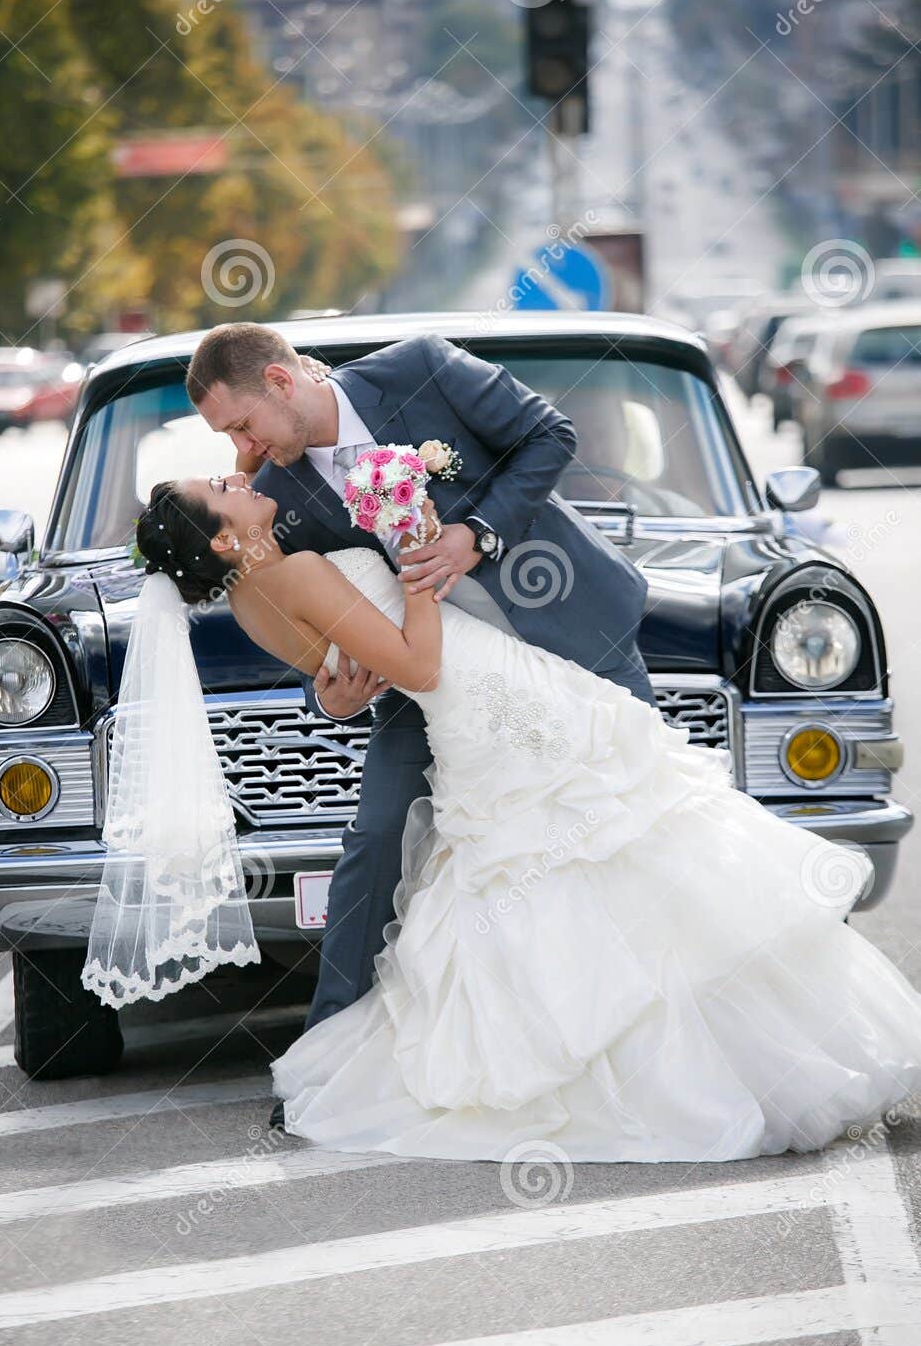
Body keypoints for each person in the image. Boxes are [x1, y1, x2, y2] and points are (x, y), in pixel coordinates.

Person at [83, 469, 921, 1163]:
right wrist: (415, 567)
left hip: (477, 710)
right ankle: (716, 1065)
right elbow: (412, 658)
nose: (238, 475)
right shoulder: (292, 572)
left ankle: (632, 1053)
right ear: (225, 539)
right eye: (221, 488)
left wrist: (340, 690)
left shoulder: (252, 597)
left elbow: (348, 683)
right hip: (484, 700)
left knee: (577, 864)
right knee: (617, 842)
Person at [184, 323, 656, 1075]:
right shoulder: (273, 500)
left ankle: (657, 1017)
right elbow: (310, 634)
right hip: (435, 685)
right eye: (226, 434)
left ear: (280, 382)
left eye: (241, 423)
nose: (239, 445)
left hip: (573, 627)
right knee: (375, 840)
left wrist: (477, 534)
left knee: (640, 810)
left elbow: (548, 436)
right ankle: (324, 1061)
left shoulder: (422, 368)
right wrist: (330, 701)